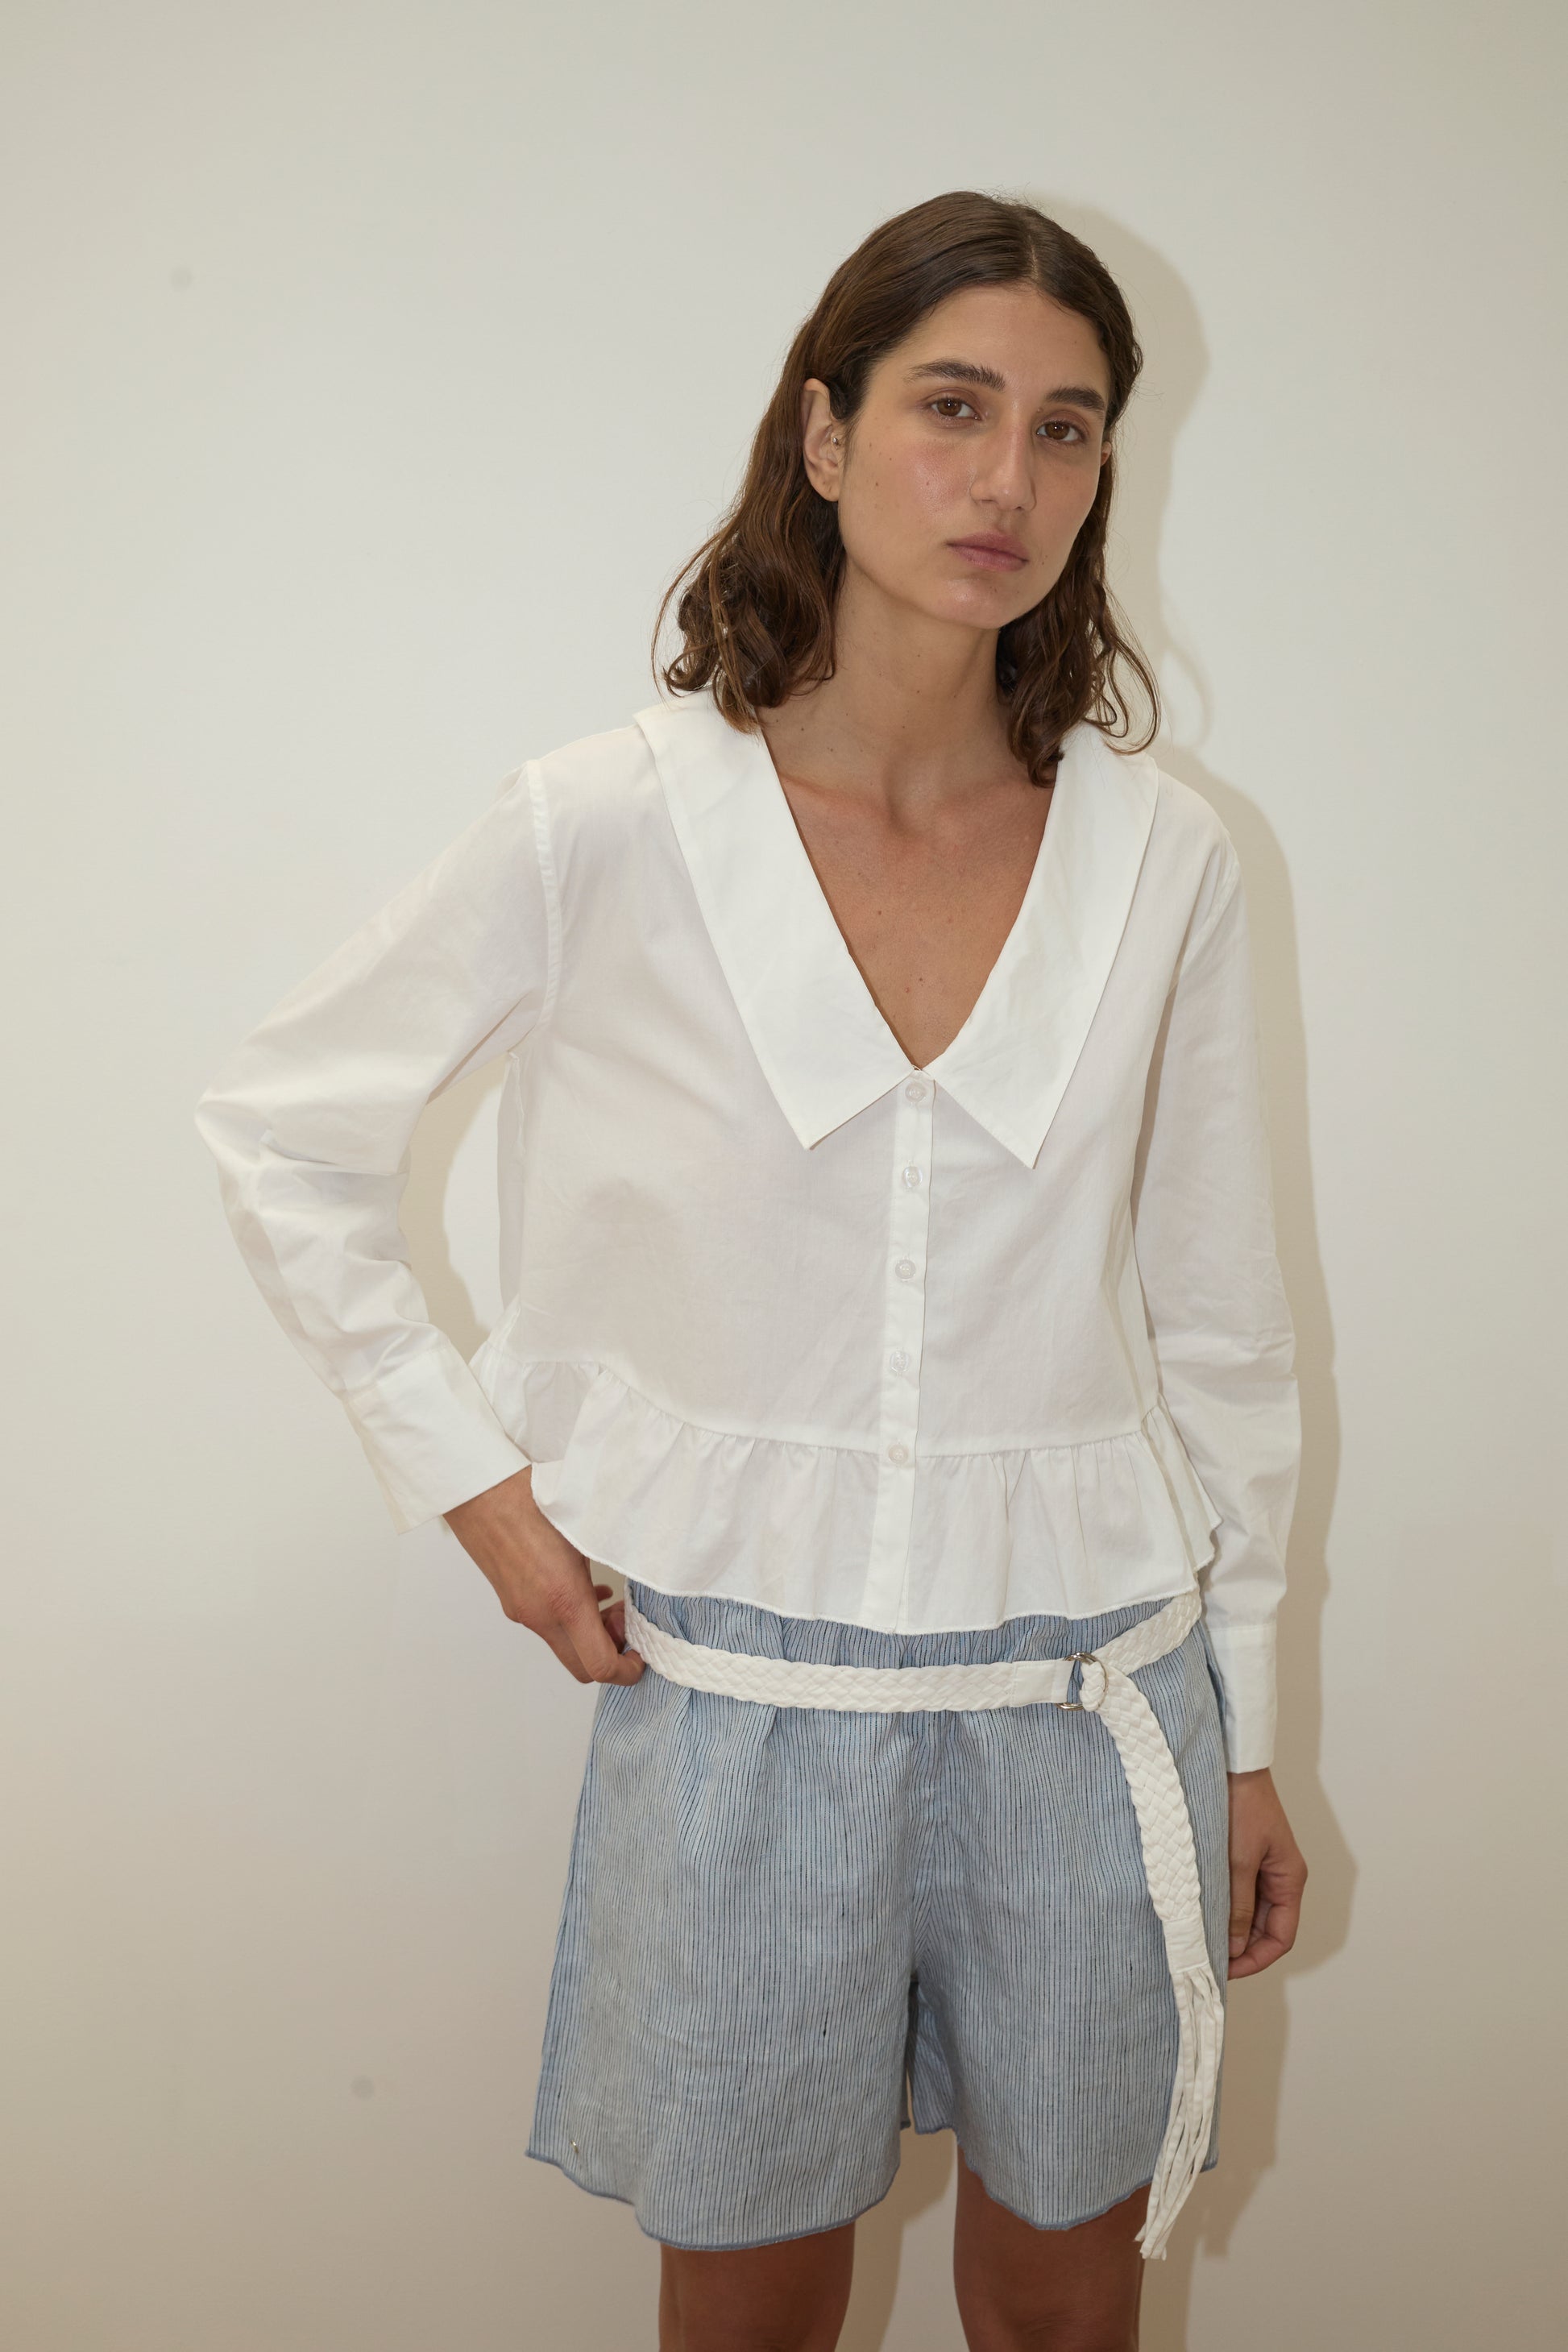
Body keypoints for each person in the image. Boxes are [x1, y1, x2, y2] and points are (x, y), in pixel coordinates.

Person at [196, 190, 1308, 2351]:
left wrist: (1245, 1727)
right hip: (742, 1707)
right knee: (750, 2304)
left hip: (1092, 1695)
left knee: (1069, 2305)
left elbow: (1219, 1324)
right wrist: (486, 1496)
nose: (1005, 484)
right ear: (820, 433)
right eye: (949, 408)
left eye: (1066, 432)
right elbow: (282, 1129)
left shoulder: (1162, 858)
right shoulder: (608, 821)